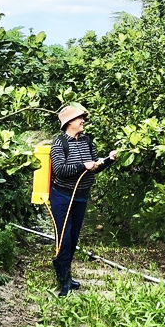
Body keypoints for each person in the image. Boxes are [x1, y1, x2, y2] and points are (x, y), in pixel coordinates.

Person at [50, 104, 117, 297]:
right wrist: (83, 165)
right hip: (63, 197)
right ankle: (63, 282)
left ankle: (68, 278)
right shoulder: (59, 143)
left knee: (73, 238)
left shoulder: (87, 141)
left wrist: (109, 160)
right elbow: (60, 170)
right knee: (64, 238)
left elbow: (93, 167)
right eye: (80, 118)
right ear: (69, 122)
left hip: (81, 196)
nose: (83, 121)